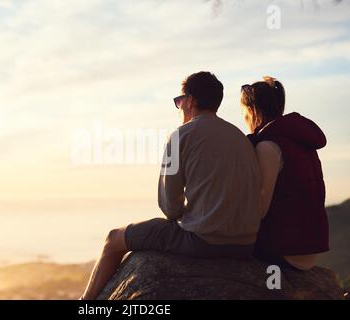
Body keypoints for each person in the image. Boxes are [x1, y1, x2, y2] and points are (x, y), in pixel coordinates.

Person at [80, 71, 261, 300]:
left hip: (205, 242)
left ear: (191, 100)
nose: (179, 108)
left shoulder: (180, 136)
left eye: (179, 101)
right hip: (246, 244)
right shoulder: (240, 138)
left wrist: (195, 215)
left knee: (113, 239)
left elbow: (170, 208)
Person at [241, 76, 329, 271]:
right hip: (307, 250)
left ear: (252, 110)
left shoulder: (268, 146)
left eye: (244, 112)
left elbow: (259, 209)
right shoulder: (299, 140)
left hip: (283, 251)